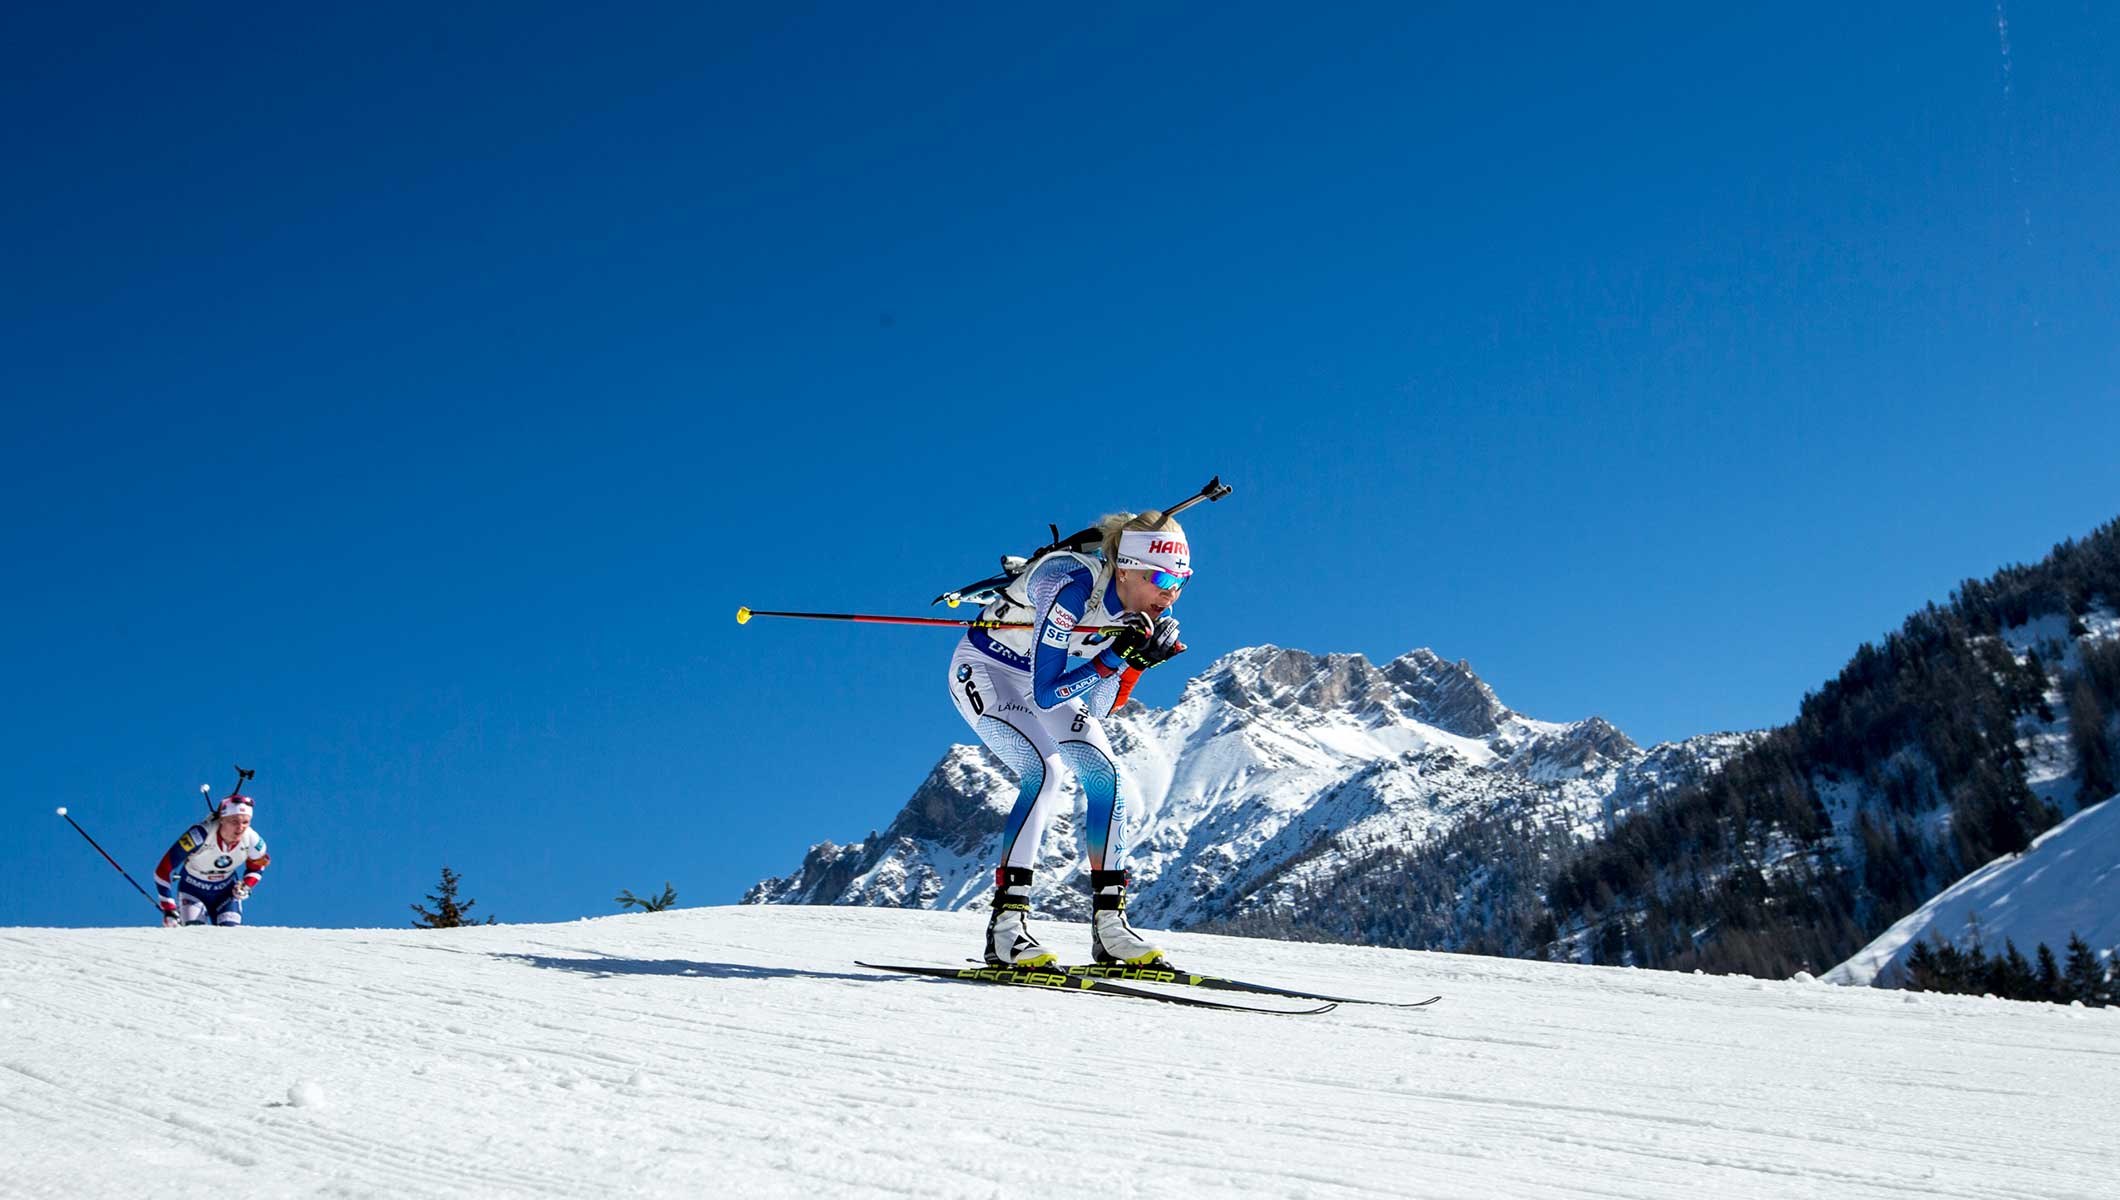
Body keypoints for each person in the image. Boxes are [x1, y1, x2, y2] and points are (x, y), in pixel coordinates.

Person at [947, 509, 1191, 968]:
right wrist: (1117, 654)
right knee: (1044, 769)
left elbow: (1095, 707)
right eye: (1161, 576)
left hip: (1053, 682)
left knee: (1107, 775)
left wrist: (1134, 661)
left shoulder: (1145, 612)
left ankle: (1111, 930)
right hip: (991, 669)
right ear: (1126, 568)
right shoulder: (1068, 586)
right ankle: (1005, 930)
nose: (1171, 592)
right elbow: (1044, 692)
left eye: (1182, 579)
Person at [153, 793, 271, 927]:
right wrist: (168, 908)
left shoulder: (253, 840)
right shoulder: (199, 836)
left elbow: (257, 866)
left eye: (245, 822)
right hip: (192, 891)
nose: (240, 828)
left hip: (226, 893)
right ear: (222, 820)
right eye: (234, 821)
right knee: (194, 933)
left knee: (230, 934)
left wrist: (246, 885)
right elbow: (163, 870)